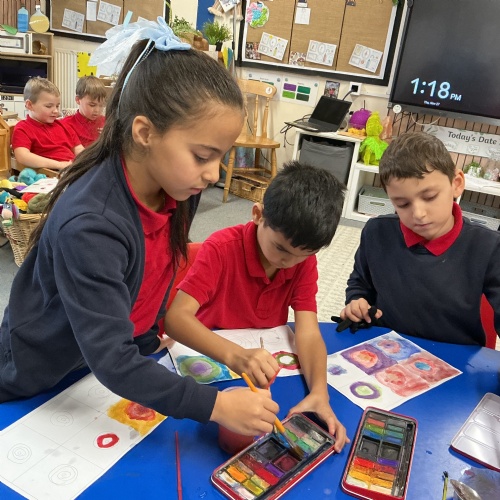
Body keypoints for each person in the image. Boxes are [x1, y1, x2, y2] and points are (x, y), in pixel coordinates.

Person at [0, 18, 280, 438]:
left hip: (98, 364)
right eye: (203, 155)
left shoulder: (178, 186)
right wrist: (216, 405)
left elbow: (156, 270)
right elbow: (112, 359)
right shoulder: (91, 225)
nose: (213, 174)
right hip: (39, 372)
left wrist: (151, 338)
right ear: (145, 132)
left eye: (221, 157)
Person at [165, 161, 350, 452]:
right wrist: (236, 355)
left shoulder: (303, 263)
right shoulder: (220, 248)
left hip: (263, 370)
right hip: (212, 363)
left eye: (303, 255)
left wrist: (319, 392)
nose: (288, 262)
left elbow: (308, 332)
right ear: (257, 214)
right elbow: (175, 319)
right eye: (280, 248)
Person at [340, 131, 500, 345]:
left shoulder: (488, 246)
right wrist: (357, 301)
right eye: (402, 204)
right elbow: (360, 283)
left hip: (456, 355)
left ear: (456, 183)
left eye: (430, 197)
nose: (418, 214)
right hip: (387, 347)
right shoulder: (376, 232)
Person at [11, 77, 84, 171]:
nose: (56, 111)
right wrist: (59, 165)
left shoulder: (64, 126)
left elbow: (80, 151)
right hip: (51, 173)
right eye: (49, 106)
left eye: (57, 106)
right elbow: (22, 156)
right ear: (29, 105)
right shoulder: (23, 128)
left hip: (73, 169)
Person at [62, 75, 107, 147]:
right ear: (78, 100)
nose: (97, 110)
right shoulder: (66, 124)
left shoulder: (107, 122)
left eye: (101, 105)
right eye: (92, 105)